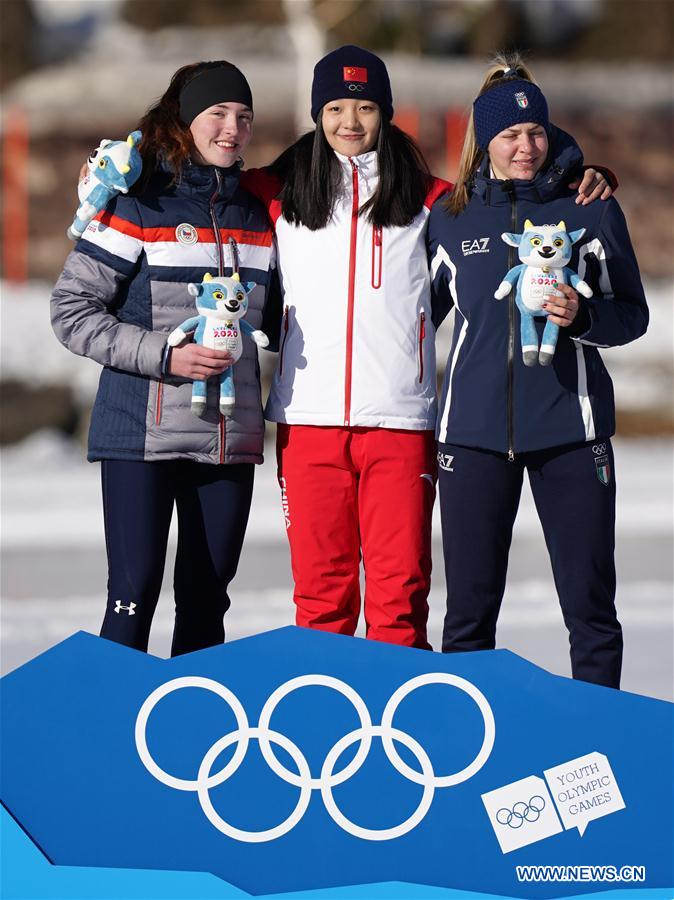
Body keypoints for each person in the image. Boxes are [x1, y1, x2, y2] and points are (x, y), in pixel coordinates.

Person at [242, 46, 612, 650]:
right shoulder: (277, 192)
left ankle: (399, 735)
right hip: (307, 422)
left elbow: (513, 191)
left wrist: (580, 170)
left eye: (365, 107)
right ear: (317, 114)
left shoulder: (431, 200)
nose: (350, 122)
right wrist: (115, 177)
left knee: (400, 596)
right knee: (321, 597)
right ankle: (326, 727)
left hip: (402, 420)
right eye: (335, 107)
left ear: (387, 113)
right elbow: (198, 185)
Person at [427, 55, 648, 688]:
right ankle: (465, 759)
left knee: (590, 612)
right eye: (509, 135)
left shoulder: (590, 210)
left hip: (572, 437)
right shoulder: (450, 218)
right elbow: (413, 319)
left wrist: (582, 316)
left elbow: (632, 315)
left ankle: (600, 751)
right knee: (468, 619)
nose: (525, 147)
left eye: (536, 133)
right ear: (483, 140)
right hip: (470, 438)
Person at [51, 61, 277, 656]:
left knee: (207, 604)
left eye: (244, 117)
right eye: (218, 115)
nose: (232, 129)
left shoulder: (258, 216)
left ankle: (193, 741)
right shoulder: (137, 204)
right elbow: (71, 311)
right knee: (132, 597)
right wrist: (165, 357)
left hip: (227, 438)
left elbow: (277, 318)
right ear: (184, 120)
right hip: (139, 437)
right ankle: (105, 739)